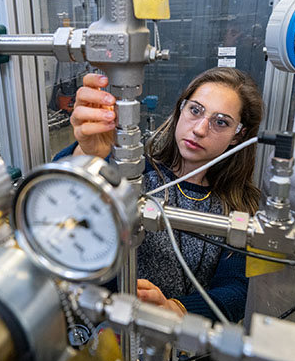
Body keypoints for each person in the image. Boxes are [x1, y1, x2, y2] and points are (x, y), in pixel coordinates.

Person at [55, 67, 263, 323]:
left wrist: (176, 310)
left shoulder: (240, 206)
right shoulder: (134, 171)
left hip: (174, 345)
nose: (199, 129)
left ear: (238, 135)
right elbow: (62, 209)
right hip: (100, 322)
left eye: (220, 122)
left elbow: (235, 291)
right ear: (180, 109)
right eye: (195, 110)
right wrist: (89, 156)